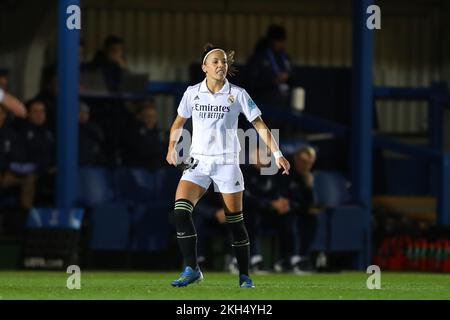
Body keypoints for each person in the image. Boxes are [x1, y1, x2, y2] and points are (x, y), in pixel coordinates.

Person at [166, 43, 290, 288]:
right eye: (215, 61)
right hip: (198, 162)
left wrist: (277, 154)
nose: (221, 65)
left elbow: (260, 126)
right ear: (204, 67)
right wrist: (171, 148)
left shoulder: (238, 94)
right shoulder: (192, 93)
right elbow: (178, 123)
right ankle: (192, 268)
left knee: (235, 222)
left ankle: (244, 275)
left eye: (224, 61)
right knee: (180, 211)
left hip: (226, 163)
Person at [273, 145, 320, 273]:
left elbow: (309, 203)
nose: (306, 166)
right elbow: (278, 192)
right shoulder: (284, 169)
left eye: (309, 164)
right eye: (304, 162)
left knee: (312, 219)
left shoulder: (305, 176)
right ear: (297, 159)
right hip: (277, 209)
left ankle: (302, 257)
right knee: (289, 217)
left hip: (296, 209)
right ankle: (290, 258)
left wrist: (309, 186)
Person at [246, 24, 296, 111]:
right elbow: (251, 83)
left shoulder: (285, 58)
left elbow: (293, 75)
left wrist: (288, 78)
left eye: (282, 41)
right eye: (278, 41)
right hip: (265, 104)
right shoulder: (259, 58)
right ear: (271, 41)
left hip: (285, 103)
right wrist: (273, 81)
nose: (281, 44)